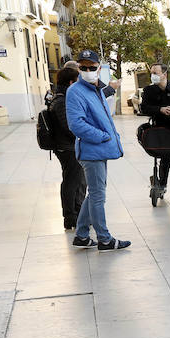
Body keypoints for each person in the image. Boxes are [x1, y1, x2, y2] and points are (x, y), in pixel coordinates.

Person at [67, 49, 131, 251]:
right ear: (78, 68)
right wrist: (102, 137)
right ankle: (104, 238)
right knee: (97, 196)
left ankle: (82, 235)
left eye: (91, 67)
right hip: (92, 150)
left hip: (99, 150)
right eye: (83, 67)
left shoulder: (96, 89)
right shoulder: (75, 91)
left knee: (94, 193)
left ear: (99, 68)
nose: (87, 70)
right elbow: (76, 124)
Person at [140, 63, 170, 202]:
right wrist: (160, 109)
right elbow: (144, 108)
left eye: (155, 72)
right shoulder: (149, 90)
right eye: (152, 72)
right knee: (164, 161)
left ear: (164, 74)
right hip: (160, 131)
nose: (153, 75)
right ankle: (162, 186)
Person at [49, 63, 87, 230]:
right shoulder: (62, 101)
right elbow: (69, 127)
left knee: (74, 180)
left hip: (66, 146)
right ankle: (71, 217)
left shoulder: (60, 99)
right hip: (67, 148)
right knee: (72, 181)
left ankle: (76, 213)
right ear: (71, 83)